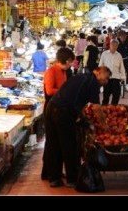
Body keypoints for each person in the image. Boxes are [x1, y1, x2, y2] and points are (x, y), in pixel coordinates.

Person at [43, 66, 112, 187]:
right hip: (63, 112)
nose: (106, 82)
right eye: (106, 78)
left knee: (53, 144)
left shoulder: (81, 76)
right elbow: (96, 107)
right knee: (69, 145)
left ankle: (54, 178)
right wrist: (104, 125)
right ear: (99, 72)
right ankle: (72, 179)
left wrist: (81, 116)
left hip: (51, 107)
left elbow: (76, 99)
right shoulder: (93, 82)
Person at [41, 48, 75, 184]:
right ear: (66, 61)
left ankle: (54, 172)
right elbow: (49, 91)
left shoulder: (64, 72)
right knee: (53, 143)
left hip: (61, 109)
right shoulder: (51, 71)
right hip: (51, 109)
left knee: (59, 144)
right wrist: (65, 91)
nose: (71, 64)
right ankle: (52, 175)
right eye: (71, 62)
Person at [99, 39, 126, 105]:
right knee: (106, 95)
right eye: (112, 45)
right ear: (110, 45)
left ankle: (113, 108)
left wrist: (123, 77)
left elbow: (121, 67)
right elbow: (100, 65)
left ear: (117, 46)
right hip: (107, 78)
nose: (114, 47)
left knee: (116, 95)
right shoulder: (104, 54)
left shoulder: (119, 55)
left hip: (116, 77)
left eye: (116, 45)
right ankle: (104, 108)